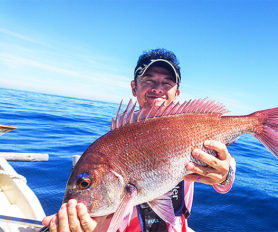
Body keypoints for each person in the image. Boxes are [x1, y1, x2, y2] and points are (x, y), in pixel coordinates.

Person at [42, 48, 236, 232]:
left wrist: (224, 175)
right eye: (148, 80)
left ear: (177, 94)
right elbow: (105, 218)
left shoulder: (190, 127)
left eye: (167, 83)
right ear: (134, 87)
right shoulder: (108, 147)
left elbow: (227, 168)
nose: (158, 89)